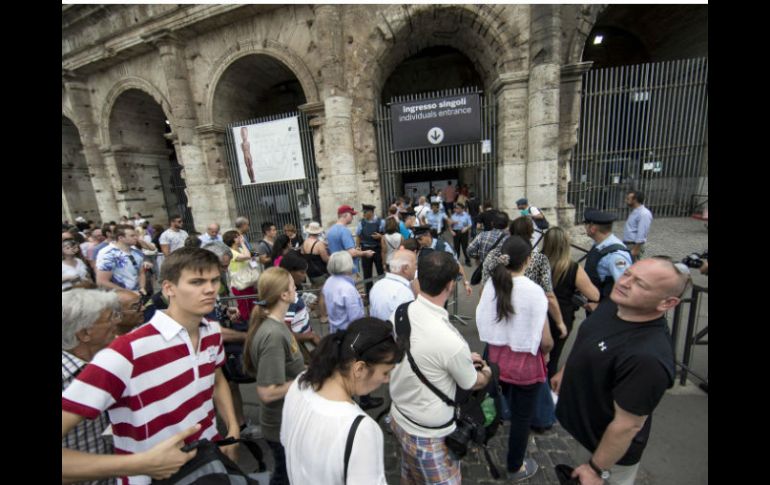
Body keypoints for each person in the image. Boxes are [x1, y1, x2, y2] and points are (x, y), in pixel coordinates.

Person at [62, 248, 241, 484]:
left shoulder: (211, 330)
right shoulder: (125, 352)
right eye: (197, 281)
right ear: (168, 288)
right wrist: (141, 464)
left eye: (214, 280)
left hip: (209, 461)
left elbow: (216, 379)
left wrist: (233, 429)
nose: (209, 289)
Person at [552, 257, 687, 485]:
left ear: (667, 303)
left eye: (641, 284)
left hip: (607, 455)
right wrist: (566, 371)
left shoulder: (648, 357)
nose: (624, 283)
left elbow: (628, 425)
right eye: (627, 274)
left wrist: (596, 469)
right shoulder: (616, 304)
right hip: (585, 434)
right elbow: (589, 338)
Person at [388, 250, 492, 485]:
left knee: (409, 477)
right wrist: (486, 371)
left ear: (419, 278)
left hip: (399, 416)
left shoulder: (400, 312)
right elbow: (472, 382)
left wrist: (463, 358)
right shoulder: (451, 341)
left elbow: (423, 353)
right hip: (428, 434)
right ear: (449, 285)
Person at [281, 318, 403, 484]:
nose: (387, 380)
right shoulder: (361, 429)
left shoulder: (300, 383)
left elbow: (286, 442)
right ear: (359, 368)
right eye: (385, 373)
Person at [476, 235, 552, 481]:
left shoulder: (492, 285)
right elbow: (546, 340)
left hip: (497, 360)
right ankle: (515, 465)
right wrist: (548, 351)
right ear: (528, 260)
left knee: (495, 402)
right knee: (522, 417)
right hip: (525, 366)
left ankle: (481, 438)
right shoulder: (534, 292)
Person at [243, 267, 306, 485]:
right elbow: (267, 393)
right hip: (281, 426)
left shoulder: (275, 326)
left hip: (286, 423)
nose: (295, 287)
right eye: (291, 285)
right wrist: (308, 378)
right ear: (284, 295)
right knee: (285, 477)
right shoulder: (272, 334)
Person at [62, 289, 122, 485]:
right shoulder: (65, 381)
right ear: (85, 333)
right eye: (109, 317)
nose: (117, 322)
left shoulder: (106, 362)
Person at [541, 227, 600, 378]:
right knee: (553, 358)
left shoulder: (534, 262)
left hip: (537, 313)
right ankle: (547, 393)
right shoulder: (572, 267)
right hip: (561, 315)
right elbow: (594, 294)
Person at [583, 209, 633, 310]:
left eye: (586, 224)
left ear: (593, 228)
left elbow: (626, 290)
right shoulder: (599, 244)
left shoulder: (616, 256)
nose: (585, 227)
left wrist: (601, 308)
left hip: (608, 313)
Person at [413, 225, 473, 297]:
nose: (419, 242)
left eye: (420, 239)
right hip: (426, 288)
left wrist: (466, 283)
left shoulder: (443, 246)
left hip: (441, 287)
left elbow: (456, 264)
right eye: (417, 240)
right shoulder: (420, 249)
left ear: (428, 235)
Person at [279, 250, 322, 349]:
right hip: (301, 345)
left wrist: (305, 308)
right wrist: (310, 336)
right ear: (290, 272)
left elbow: (294, 316)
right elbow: (286, 331)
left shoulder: (291, 293)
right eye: (302, 272)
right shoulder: (289, 297)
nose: (304, 276)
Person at [95, 225, 147, 296]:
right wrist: (128, 293)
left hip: (137, 295)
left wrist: (142, 288)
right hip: (118, 297)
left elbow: (141, 273)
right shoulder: (108, 253)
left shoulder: (137, 252)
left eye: (136, 235)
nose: (136, 238)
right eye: (132, 236)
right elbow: (102, 281)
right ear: (121, 238)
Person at [322, 251, 365, 335]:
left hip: (334, 330)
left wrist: (356, 297)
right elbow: (356, 319)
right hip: (348, 333)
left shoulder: (329, 281)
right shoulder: (347, 288)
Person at [369, 249, 417, 321]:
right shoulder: (404, 292)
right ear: (406, 268)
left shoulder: (377, 285)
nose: (416, 268)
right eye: (415, 264)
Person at [326, 205, 375, 276]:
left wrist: (356, 250)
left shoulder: (330, 230)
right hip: (347, 270)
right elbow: (352, 253)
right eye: (351, 214)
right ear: (345, 215)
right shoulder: (344, 231)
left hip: (337, 269)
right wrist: (365, 253)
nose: (352, 217)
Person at [224, 229, 258, 323]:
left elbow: (252, 257)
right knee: (245, 309)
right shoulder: (230, 252)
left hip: (249, 282)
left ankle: (249, 324)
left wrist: (254, 256)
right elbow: (246, 256)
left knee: (252, 307)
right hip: (240, 285)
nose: (241, 238)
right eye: (238, 236)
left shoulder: (240, 249)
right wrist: (243, 243)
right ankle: (242, 326)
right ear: (233, 239)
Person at [301, 221, 330, 325]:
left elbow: (304, 255)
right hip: (320, 272)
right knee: (322, 295)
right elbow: (325, 259)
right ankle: (323, 316)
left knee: (317, 292)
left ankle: (317, 312)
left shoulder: (305, 242)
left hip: (310, 272)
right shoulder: (319, 244)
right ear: (318, 232)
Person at [357, 204, 386, 296]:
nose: (363, 214)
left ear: (371, 212)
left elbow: (386, 236)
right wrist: (357, 247)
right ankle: (369, 294)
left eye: (365, 212)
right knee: (367, 273)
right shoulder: (361, 223)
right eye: (363, 212)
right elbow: (358, 236)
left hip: (377, 249)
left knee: (380, 272)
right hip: (365, 249)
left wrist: (380, 236)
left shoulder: (381, 222)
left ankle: (383, 293)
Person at [623, 190, 654, 262]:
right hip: (629, 244)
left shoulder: (644, 214)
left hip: (634, 245)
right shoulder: (635, 211)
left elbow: (642, 233)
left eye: (628, 199)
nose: (625, 201)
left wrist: (635, 250)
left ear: (635, 200)